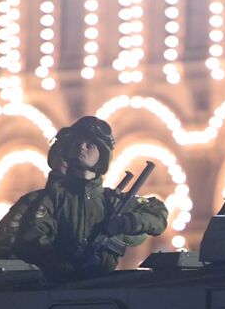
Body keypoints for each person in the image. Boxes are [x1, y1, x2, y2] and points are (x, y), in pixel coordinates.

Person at [12, 116, 169, 279]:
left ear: (102, 155)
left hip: (103, 286)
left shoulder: (111, 201)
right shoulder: (50, 199)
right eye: (76, 144)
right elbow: (25, 242)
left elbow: (158, 215)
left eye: (89, 145)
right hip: (60, 287)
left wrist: (126, 222)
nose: (81, 148)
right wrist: (60, 261)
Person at [0, 126, 71, 260]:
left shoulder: (99, 203)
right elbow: (0, 243)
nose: (64, 160)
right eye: (61, 154)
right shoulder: (32, 202)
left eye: (69, 155)